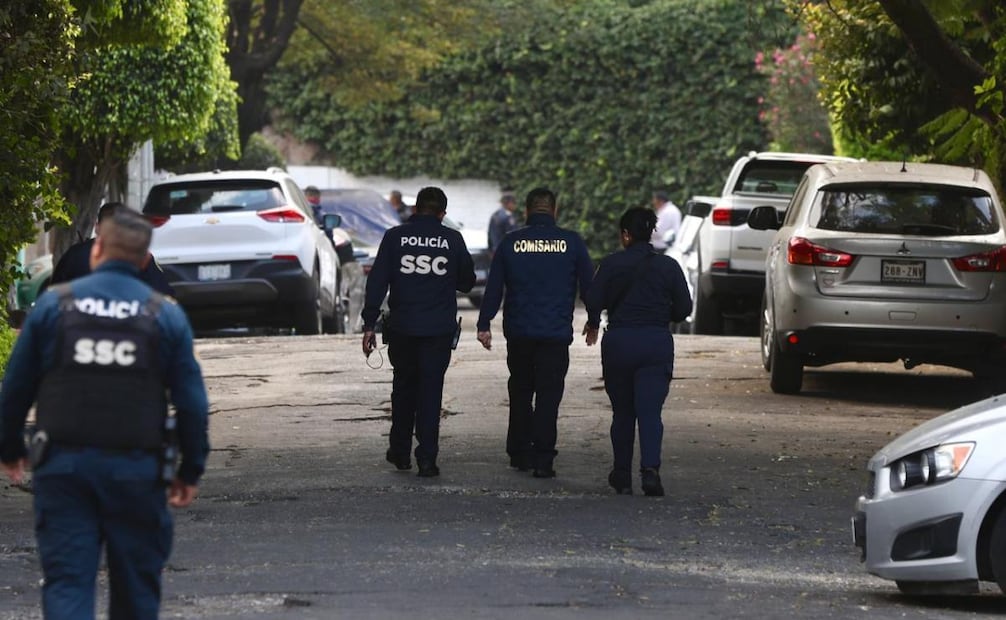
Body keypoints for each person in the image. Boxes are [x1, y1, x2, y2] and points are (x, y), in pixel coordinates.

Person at [0, 207, 210, 618]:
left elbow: (16, 387)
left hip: (63, 469)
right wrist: (191, 470)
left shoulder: (53, 307)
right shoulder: (164, 314)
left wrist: (9, 447)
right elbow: (192, 402)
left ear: (97, 250)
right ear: (144, 259)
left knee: (67, 583)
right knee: (136, 588)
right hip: (137, 471)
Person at [476, 187, 593, 478]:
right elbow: (589, 286)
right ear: (554, 210)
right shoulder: (572, 242)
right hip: (554, 335)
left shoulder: (510, 242)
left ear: (526, 211)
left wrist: (484, 323)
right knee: (549, 396)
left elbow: (494, 287)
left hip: (520, 333)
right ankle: (543, 458)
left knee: (521, 391)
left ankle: (519, 452)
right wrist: (593, 320)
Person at [361, 186, 475, 477]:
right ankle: (427, 459)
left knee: (403, 389)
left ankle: (399, 452)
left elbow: (377, 282)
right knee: (430, 392)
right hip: (438, 330)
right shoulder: (453, 239)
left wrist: (369, 323)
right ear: (442, 214)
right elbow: (466, 282)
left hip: (403, 327)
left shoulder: (395, 237)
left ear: (415, 209)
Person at [583, 206, 692, 496]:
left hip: (619, 342)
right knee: (650, 412)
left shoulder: (611, 264)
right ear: (652, 234)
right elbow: (684, 309)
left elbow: (593, 298)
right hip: (655, 342)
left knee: (622, 413)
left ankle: (621, 473)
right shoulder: (668, 267)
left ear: (626, 235)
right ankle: (650, 471)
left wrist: (594, 322)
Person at [50, 201, 175, 296]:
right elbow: (164, 294)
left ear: (97, 227)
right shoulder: (140, 257)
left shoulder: (74, 255)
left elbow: (54, 294)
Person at [487, 190, 520, 255]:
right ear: (509, 203)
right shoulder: (506, 217)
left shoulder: (496, 215)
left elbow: (490, 235)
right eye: (514, 203)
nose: (515, 205)